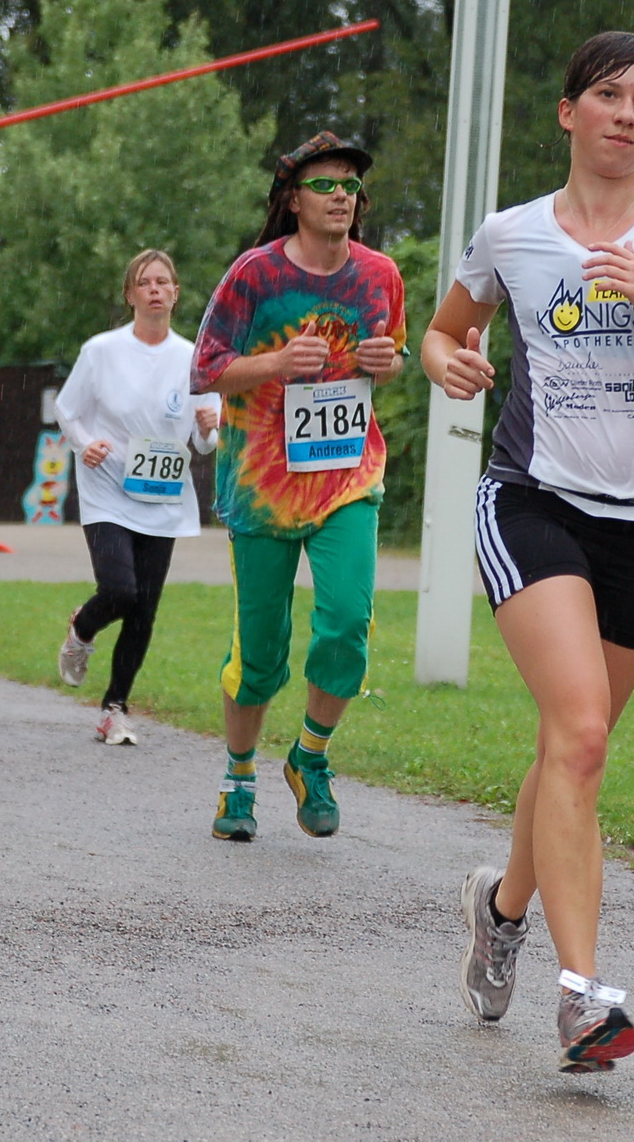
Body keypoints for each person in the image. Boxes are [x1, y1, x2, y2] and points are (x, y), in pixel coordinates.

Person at [423, 31, 634, 1073]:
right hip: (531, 502)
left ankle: (500, 908)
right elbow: (443, 330)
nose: (628, 113)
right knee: (577, 737)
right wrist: (449, 363)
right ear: (568, 112)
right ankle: (583, 995)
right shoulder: (513, 234)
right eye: (610, 95)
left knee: (569, 751)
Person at [191, 131, 406, 841]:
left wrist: (388, 359)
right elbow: (207, 371)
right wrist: (279, 360)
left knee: (346, 624)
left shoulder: (379, 275)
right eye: (326, 184)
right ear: (292, 198)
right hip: (261, 485)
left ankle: (310, 755)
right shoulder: (253, 275)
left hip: (347, 476)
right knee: (259, 654)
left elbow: (393, 354)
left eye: (350, 184)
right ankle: (238, 778)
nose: (341, 195)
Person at [55, 249, 220, 744]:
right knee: (120, 590)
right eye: (144, 282)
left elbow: (205, 440)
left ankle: (114, 708)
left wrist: (211, 428)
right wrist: (87, 445)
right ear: (130, 295)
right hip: (108, 488)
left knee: (144, 608)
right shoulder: (102, 351)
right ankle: (83, 629)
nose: (154, 289)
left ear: (175, 293)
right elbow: (68, 410)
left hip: (163, 496)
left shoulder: (194, 358)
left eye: (162, 281)